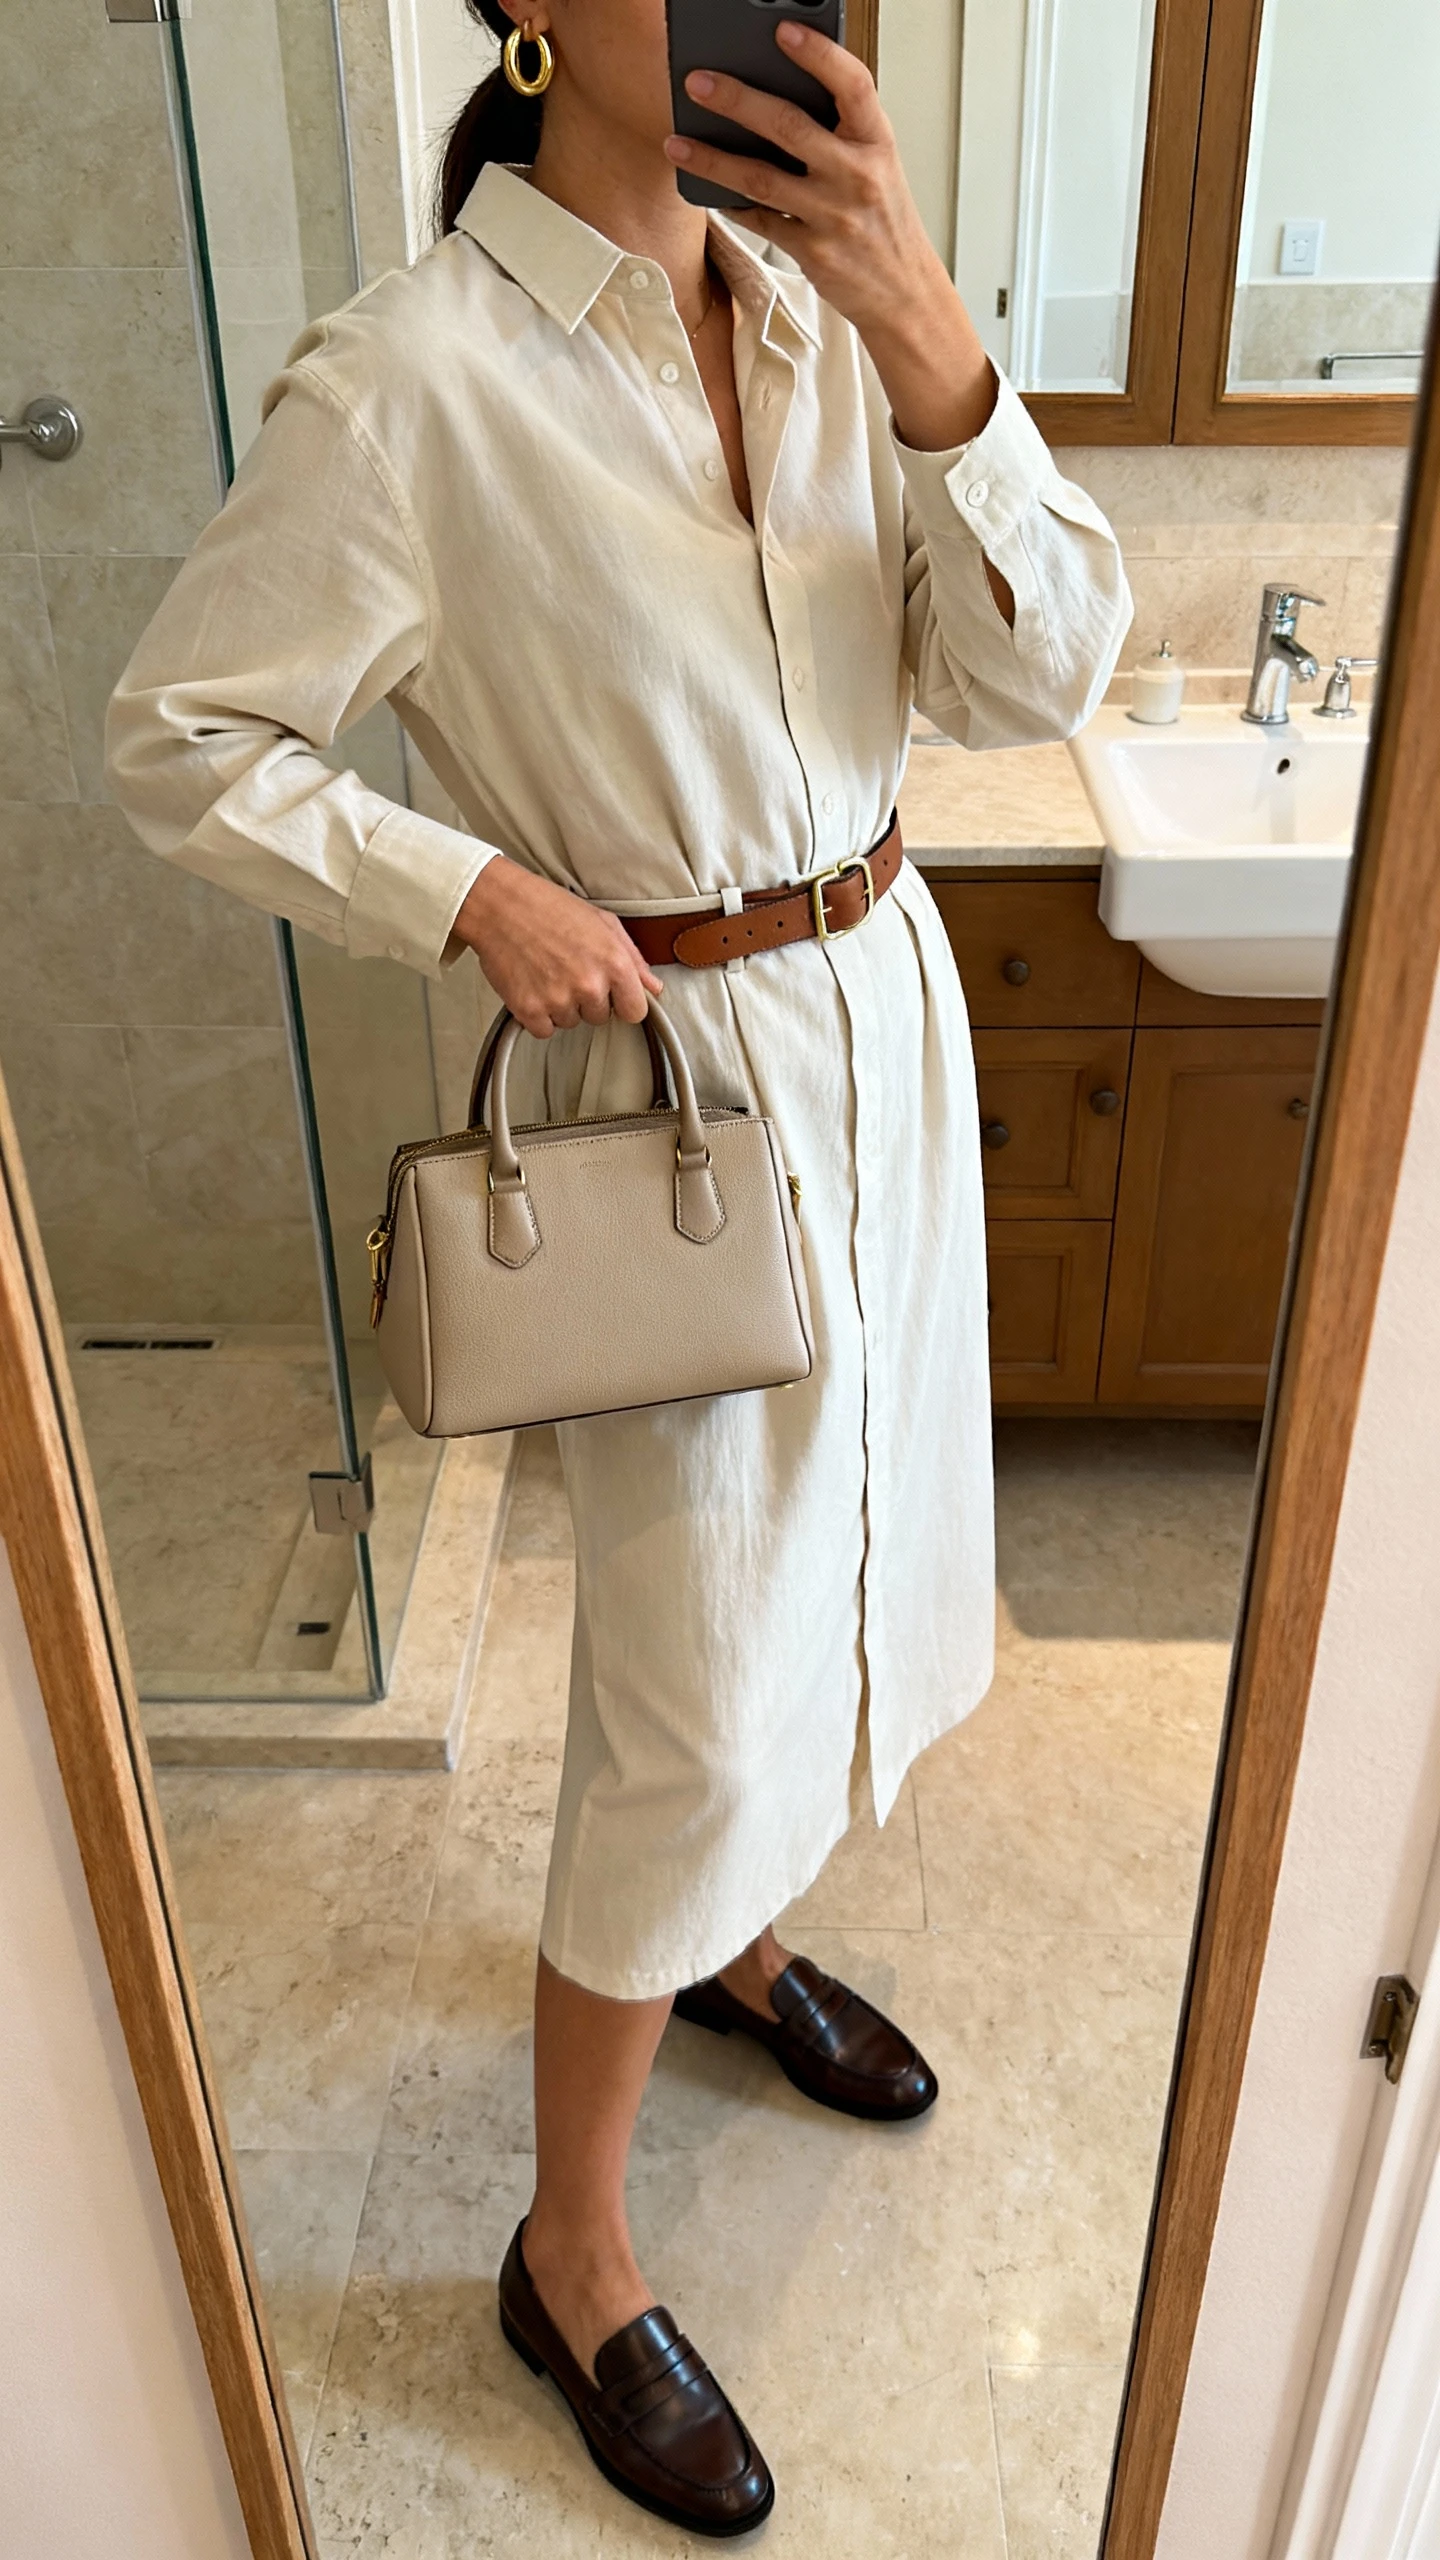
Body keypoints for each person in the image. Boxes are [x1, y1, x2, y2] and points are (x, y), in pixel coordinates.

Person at [107, 0, 1131, 2533]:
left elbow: (1040, 671)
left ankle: (743, 1947)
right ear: (538, 14)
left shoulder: (819, 312)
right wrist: (466, 884)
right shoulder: (418, 382)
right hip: (674, 1080)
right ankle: (568, 2244)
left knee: (855, 1567)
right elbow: (183, 733)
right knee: (689, 1674)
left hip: (886, 1030)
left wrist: (927, 333)